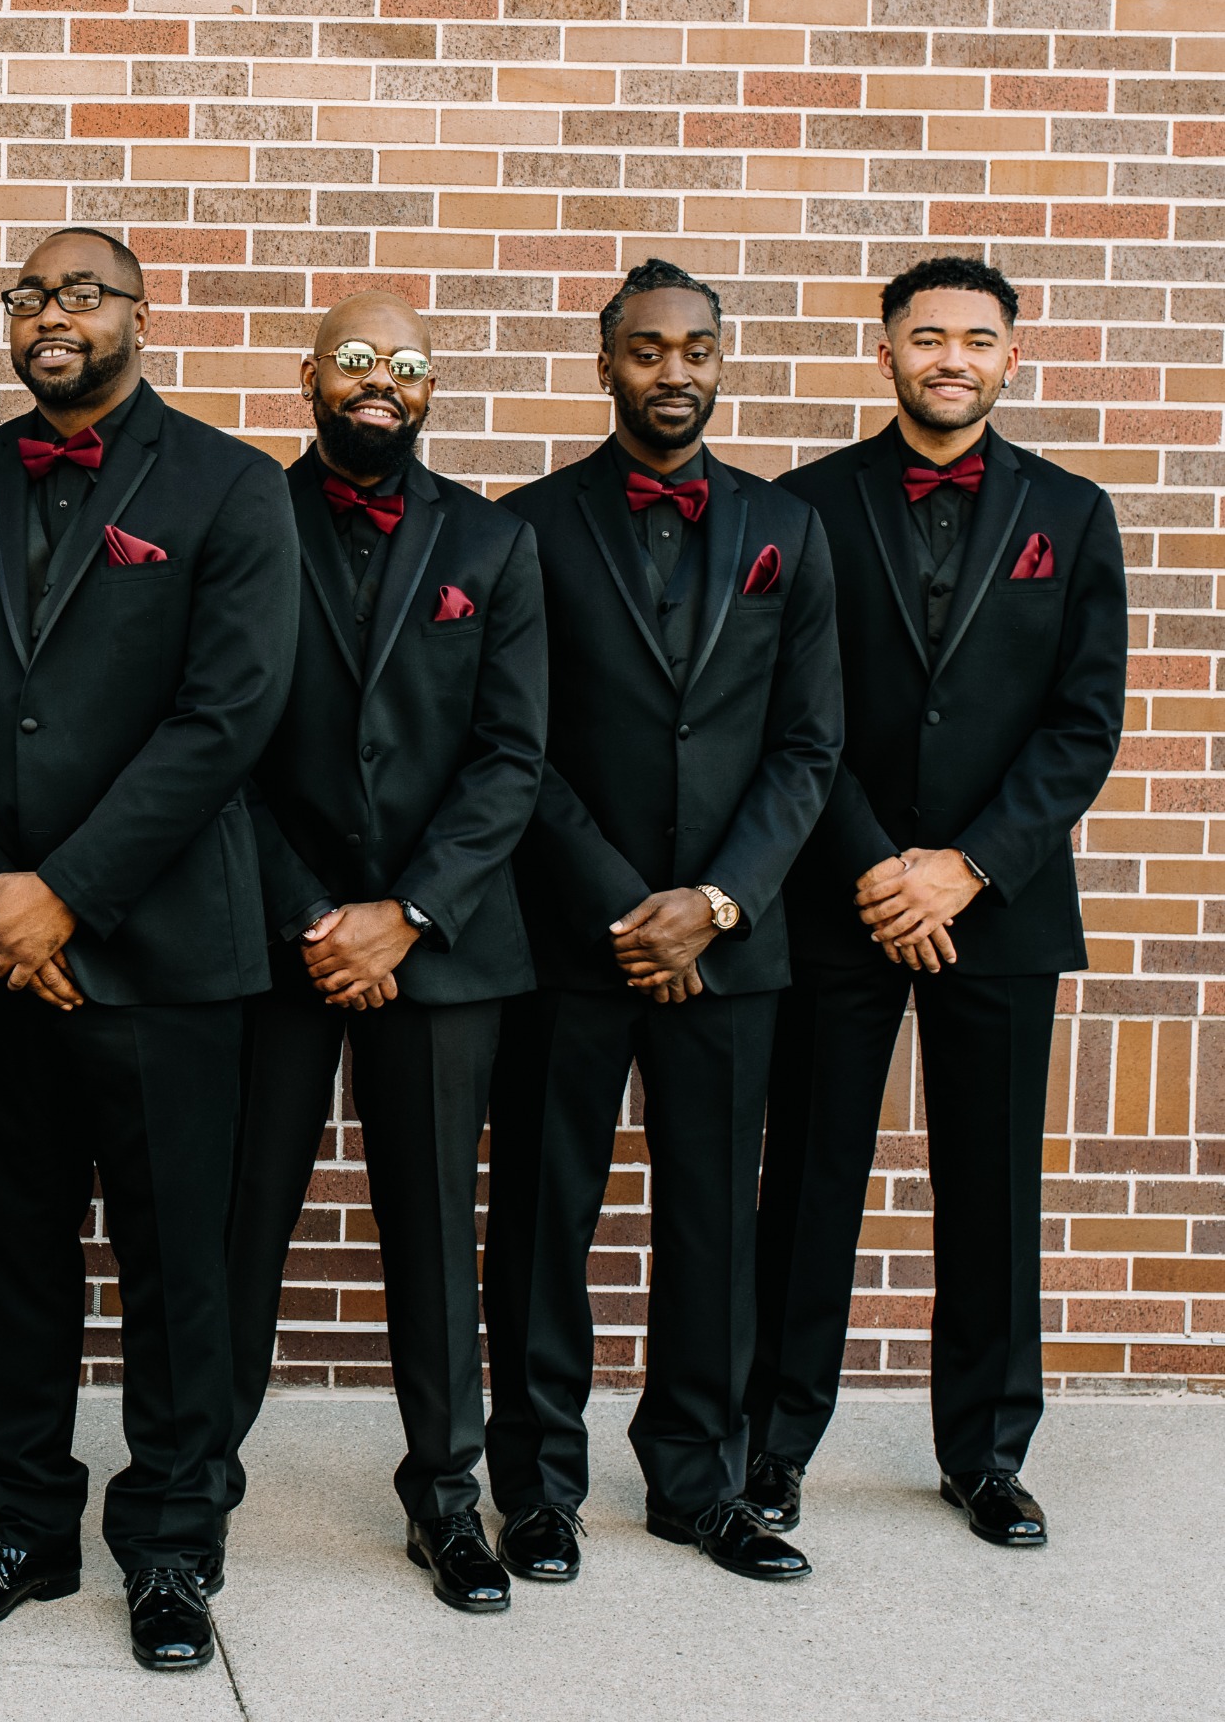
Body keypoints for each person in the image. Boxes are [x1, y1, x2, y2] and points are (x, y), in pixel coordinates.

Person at [0, 228, 296, 1671]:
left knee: (173, 1269)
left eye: (80, 293)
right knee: (16, 1257)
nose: (50, 314)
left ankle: (173, 1546)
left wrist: (65, 894)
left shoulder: (228, 485)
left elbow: (225, 717)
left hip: (167, 956)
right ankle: (23, 1525)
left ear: (138, 312)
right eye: (26, 294)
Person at [746, 256, 1125, 1550]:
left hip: (1000, 905)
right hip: (835, 899)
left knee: (989, 1191)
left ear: (1010, 358)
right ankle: (772, 1448)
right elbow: (795, 716)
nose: (949, 356)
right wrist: (871, 865)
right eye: (925, 336)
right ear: (885, 352)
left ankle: (985, 1453)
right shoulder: (801, 508)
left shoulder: (1072, 517)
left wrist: (965, 865)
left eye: (975, 337)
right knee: (804, 1185)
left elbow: (1081, 728)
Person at [483, 259, 842, 1586]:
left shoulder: (784, 533)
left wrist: (711, 902)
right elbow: (513, 743)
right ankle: (531, 1485)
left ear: (720, 359)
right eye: (645, 350)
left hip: (731, 945)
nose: (672, 372)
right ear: (604, 362)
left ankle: (699, 1483)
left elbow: (807, 747)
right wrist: (620, 903)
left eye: (694, 348)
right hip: (568, 940)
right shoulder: (522, 529)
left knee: (711, 1224)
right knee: (539, 1222)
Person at [226, 291, 546, 1614]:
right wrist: (315, 915)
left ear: (428, 391)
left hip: (442, 947)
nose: (379, 382)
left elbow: (509, 755)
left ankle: (442, 1495)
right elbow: (222, 731)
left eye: (406, 366)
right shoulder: (245, 523)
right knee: (236, 1227)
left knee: (430, 1229)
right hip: (273, 943)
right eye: (355, 360)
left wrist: (404, 914)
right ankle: (189, 1484)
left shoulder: (495, 541)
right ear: (307, 376)